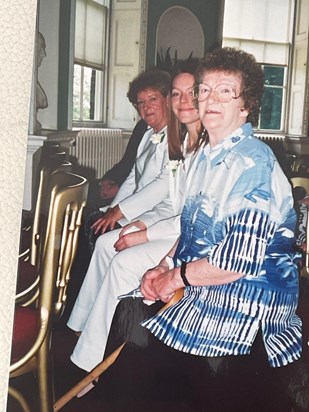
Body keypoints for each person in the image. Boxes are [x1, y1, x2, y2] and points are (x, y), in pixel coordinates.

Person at [96, 47, 303, 411]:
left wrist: (174, 278)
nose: (210, 99)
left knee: (138, 351)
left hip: (247, 303)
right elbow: (192, 230)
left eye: (226, 91)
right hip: (207, 289)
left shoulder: (253, 165)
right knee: (128, 318)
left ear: (246, 104)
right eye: (205, 89)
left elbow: (237, 262)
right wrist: (162, 266)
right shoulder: (206, 156)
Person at [67, 60, 208, 374]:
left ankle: (91, 362)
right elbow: (157, 186)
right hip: (167, 223)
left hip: (181, 235)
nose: (146, 109)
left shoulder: (202, 145)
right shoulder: (176, 138)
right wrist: (122, 215)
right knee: (106, 244)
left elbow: (175, 202)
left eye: (191, 94)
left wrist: (138, 227)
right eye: (177, 94)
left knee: (119, 259)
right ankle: (81, 324)